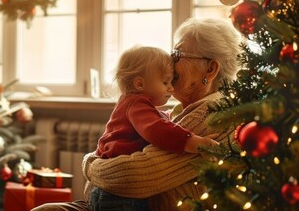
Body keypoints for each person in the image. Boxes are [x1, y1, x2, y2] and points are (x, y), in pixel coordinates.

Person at [32, 18, 243, 211]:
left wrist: (90, 164)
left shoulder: (214, 114)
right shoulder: (177, 110)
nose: (170, 60)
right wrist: (94, 164)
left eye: (178, 54)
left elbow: (132, 177)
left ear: (210, 69)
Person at [89, 46, 219, 211]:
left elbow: (155, 120)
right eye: (165, 82)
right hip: (121, 197)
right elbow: (156, 129)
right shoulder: (137, 104)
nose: (171, 88)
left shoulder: (130, 103)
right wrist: (194, 142)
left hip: (109, 192)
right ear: (140, 83)